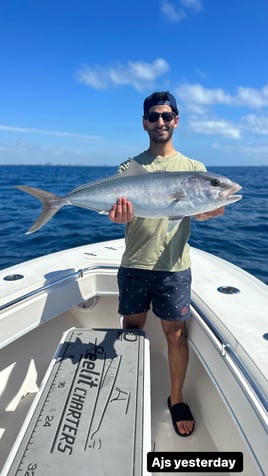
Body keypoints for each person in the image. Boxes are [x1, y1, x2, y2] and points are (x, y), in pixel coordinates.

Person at [109, 91, 224, 437]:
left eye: (167, 115)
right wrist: (117, 217)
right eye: (154, 116)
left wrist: (205, 210)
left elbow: (196, 210)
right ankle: (126, 389)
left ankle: (176, 398)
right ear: (145, 123)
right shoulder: (128, 168)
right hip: (135, 262)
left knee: (175, 334)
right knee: (131, 327)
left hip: (174, 266)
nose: (161, 122)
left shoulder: (194, 171)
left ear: (176, 120)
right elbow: (118, 213)